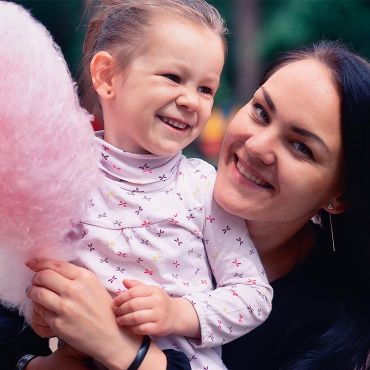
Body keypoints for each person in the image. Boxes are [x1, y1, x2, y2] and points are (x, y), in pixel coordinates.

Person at [2, 1, 272, 369]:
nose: (191, 100)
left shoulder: (202, 188)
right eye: (173, 78)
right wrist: (41, 309)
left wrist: (179, 313)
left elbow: (253, 296)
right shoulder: (62, 173)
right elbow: (32, 275)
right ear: (108, 77)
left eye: (206, 89)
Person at [219, 40, 370, 369]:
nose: (258, 146)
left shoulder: (326, 324)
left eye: (300, 147)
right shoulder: (130, 192)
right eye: (261, 112)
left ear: (339, 197)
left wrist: (130, 355)